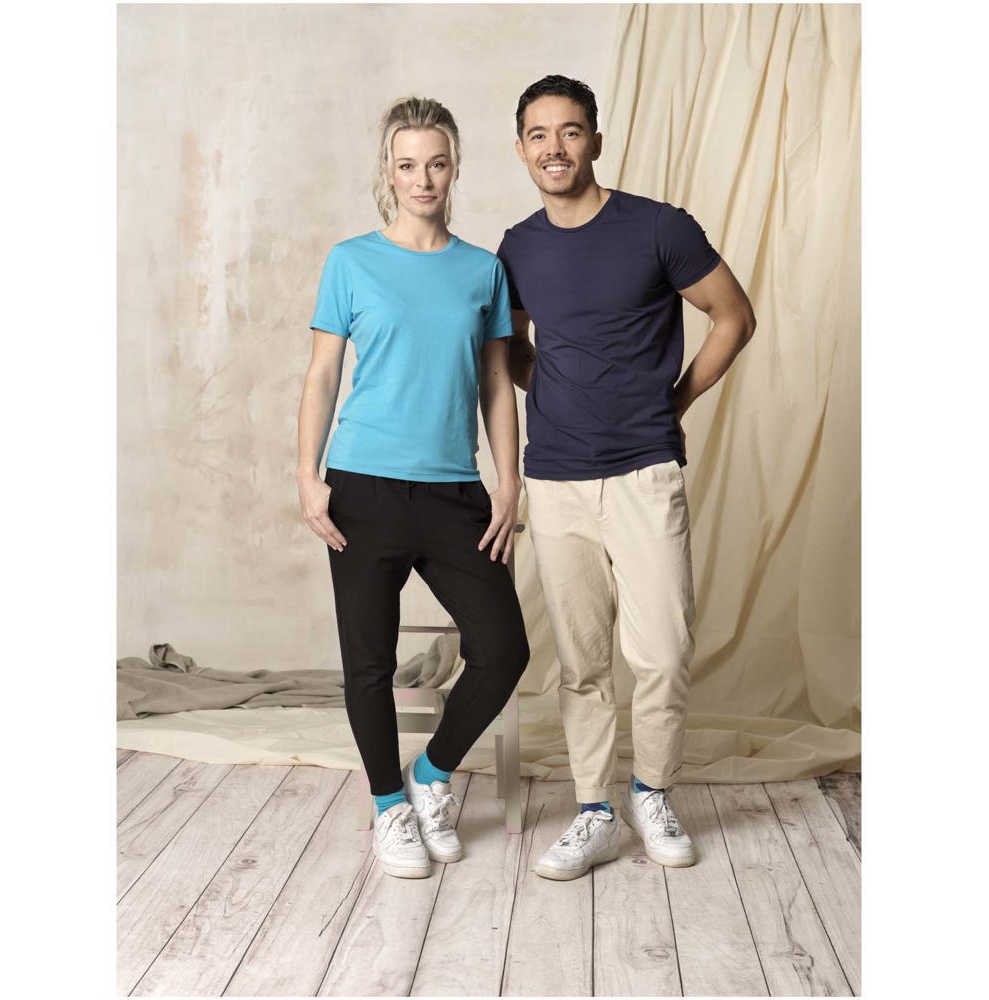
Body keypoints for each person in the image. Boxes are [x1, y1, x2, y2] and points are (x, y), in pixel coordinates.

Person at [497, 75, 756, 880]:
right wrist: (558, 392)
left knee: (663, 653)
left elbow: (735, 316)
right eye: (539, 135)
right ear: (521, 150)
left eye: (570, 132)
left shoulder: (658, 227)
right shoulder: (517, 247)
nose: (555, 148)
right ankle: (594, 812)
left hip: (645, 471)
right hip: (557, 479)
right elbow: (511, 349)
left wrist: (674, 399)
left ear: (596, 141)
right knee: (581, 663)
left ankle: (652, 792)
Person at [296, 97, 529, 880]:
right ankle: (388, 805)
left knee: (504, 648)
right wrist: (307, 477)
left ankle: (431, 776)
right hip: (361, 486)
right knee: (367, 660)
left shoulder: (482, 269)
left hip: (454, 492)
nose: (422, 178)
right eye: (407, 165)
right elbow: (322, 375)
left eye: (436, 163)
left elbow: (497, 383)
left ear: (454, 168)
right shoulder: (350, 262)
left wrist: (507, 483)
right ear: (388, 173)